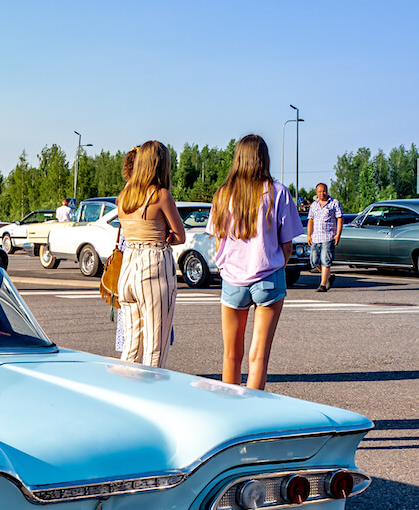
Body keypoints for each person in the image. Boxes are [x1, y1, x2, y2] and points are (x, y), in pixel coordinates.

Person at [208, 134, 303, 391]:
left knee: (231, 355)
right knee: (259, 355)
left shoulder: (223, 194)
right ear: (264, 158)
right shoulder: (278, 192)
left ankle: (230, 413)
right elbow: (287, 244)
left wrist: (228, 266)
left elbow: (218, 241)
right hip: (268, 277)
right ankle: (253, 418)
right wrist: (275, 265)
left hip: (232, 280)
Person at [115, 142, 185, 368]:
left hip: (128, 266)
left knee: (131, 344)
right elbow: (180, 235)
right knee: (156, 346)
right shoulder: (160, 195)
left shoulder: (124, 196)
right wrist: (169, 235)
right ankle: (151, 395)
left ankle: (125, 393)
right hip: (153, 263)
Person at [307, 182, 343, 292]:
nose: (322, 193)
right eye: (319, 191)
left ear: (327, 191)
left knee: (325, 260)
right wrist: (309, 235)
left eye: (324, 191)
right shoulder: (314, 205)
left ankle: (323, 284)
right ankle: (329, 276)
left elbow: (340, 219)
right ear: (316, 193)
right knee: (314, 261)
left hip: (328, 236)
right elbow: (310, 220)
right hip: (316, 237)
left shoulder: (334, 203)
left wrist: (338, 234)